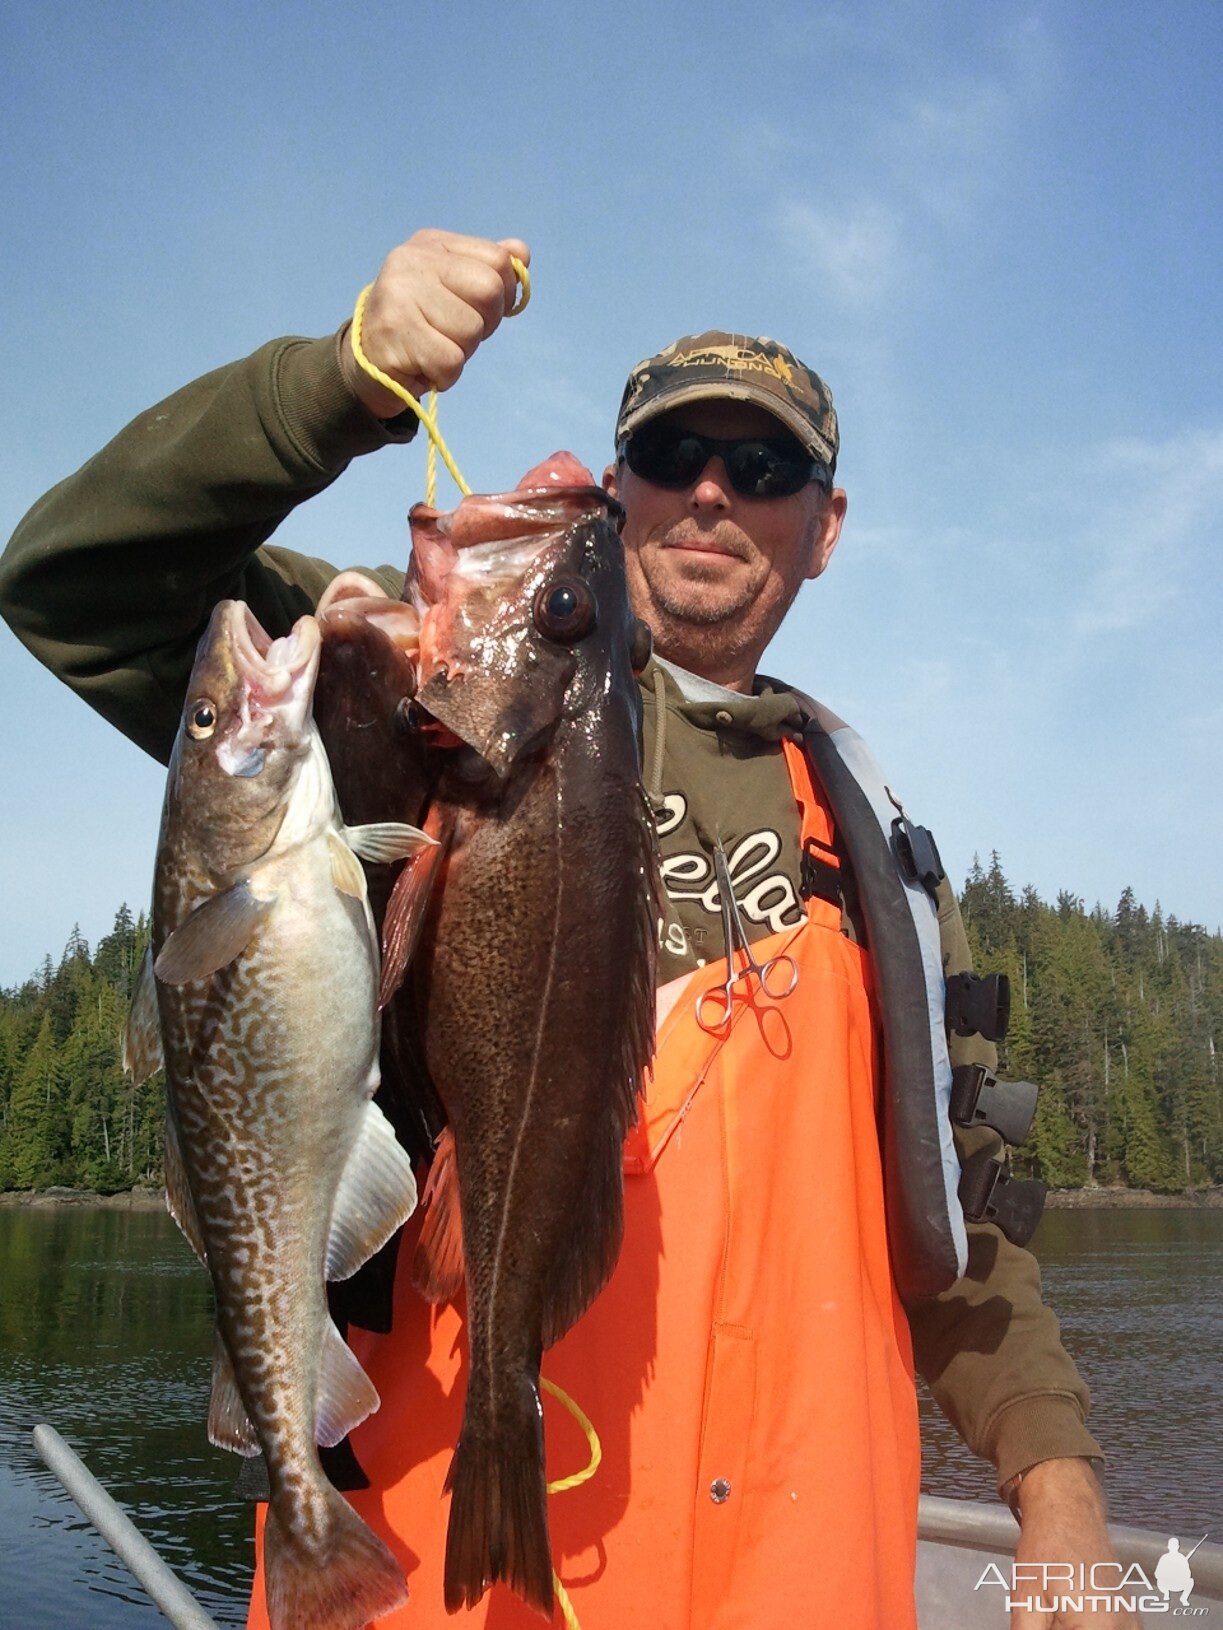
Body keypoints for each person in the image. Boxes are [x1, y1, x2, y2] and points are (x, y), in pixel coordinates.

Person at [0, 229, 1130, 1630]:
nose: (713, 493)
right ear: (615, 492)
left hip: (806, 1588)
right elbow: (71, 582)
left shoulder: (877, 843)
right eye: (671, 458)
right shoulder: (420, 702)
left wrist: (1061, 1486)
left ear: (825, 526)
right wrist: (340, 380)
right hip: (444, 1585)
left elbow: (959, 1234)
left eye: (766, 468)